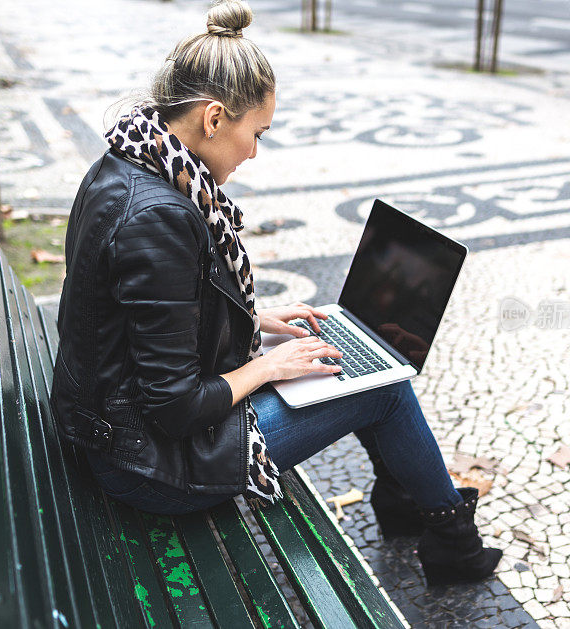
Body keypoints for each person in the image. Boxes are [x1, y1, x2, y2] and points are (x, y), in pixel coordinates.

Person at [48, 0, 502, 586]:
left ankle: (410, 504)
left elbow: (149, 317)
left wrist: (254, 322)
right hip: (148, 465)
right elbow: (177, 408)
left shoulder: (129, 167)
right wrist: (268, 368)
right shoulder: (158, 217)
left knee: (355, 366)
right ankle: (449, 537)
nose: (254, 152)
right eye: (255, 133)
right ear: (213, 119)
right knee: (384, 386)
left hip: (117, 429)